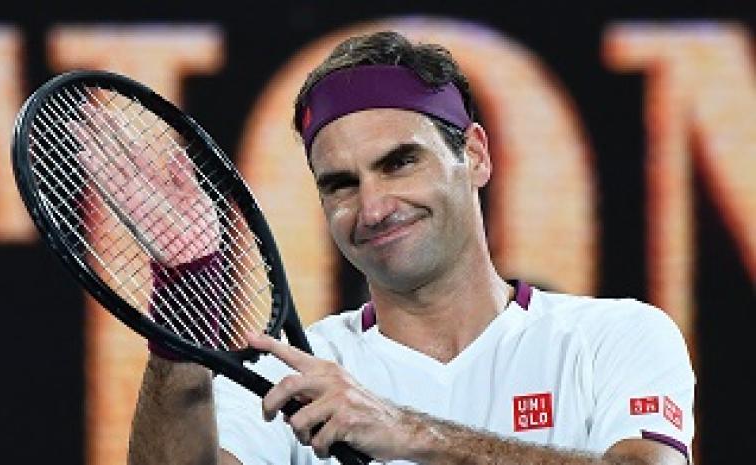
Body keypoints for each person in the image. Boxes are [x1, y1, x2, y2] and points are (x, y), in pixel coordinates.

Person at [128, 31, 694, 465]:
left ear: (473, 154)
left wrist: (407, 432)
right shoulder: (292, 375)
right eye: (341, 184)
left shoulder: (615, 336)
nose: (373, 207)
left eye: (399, 163)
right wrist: (186, 287)